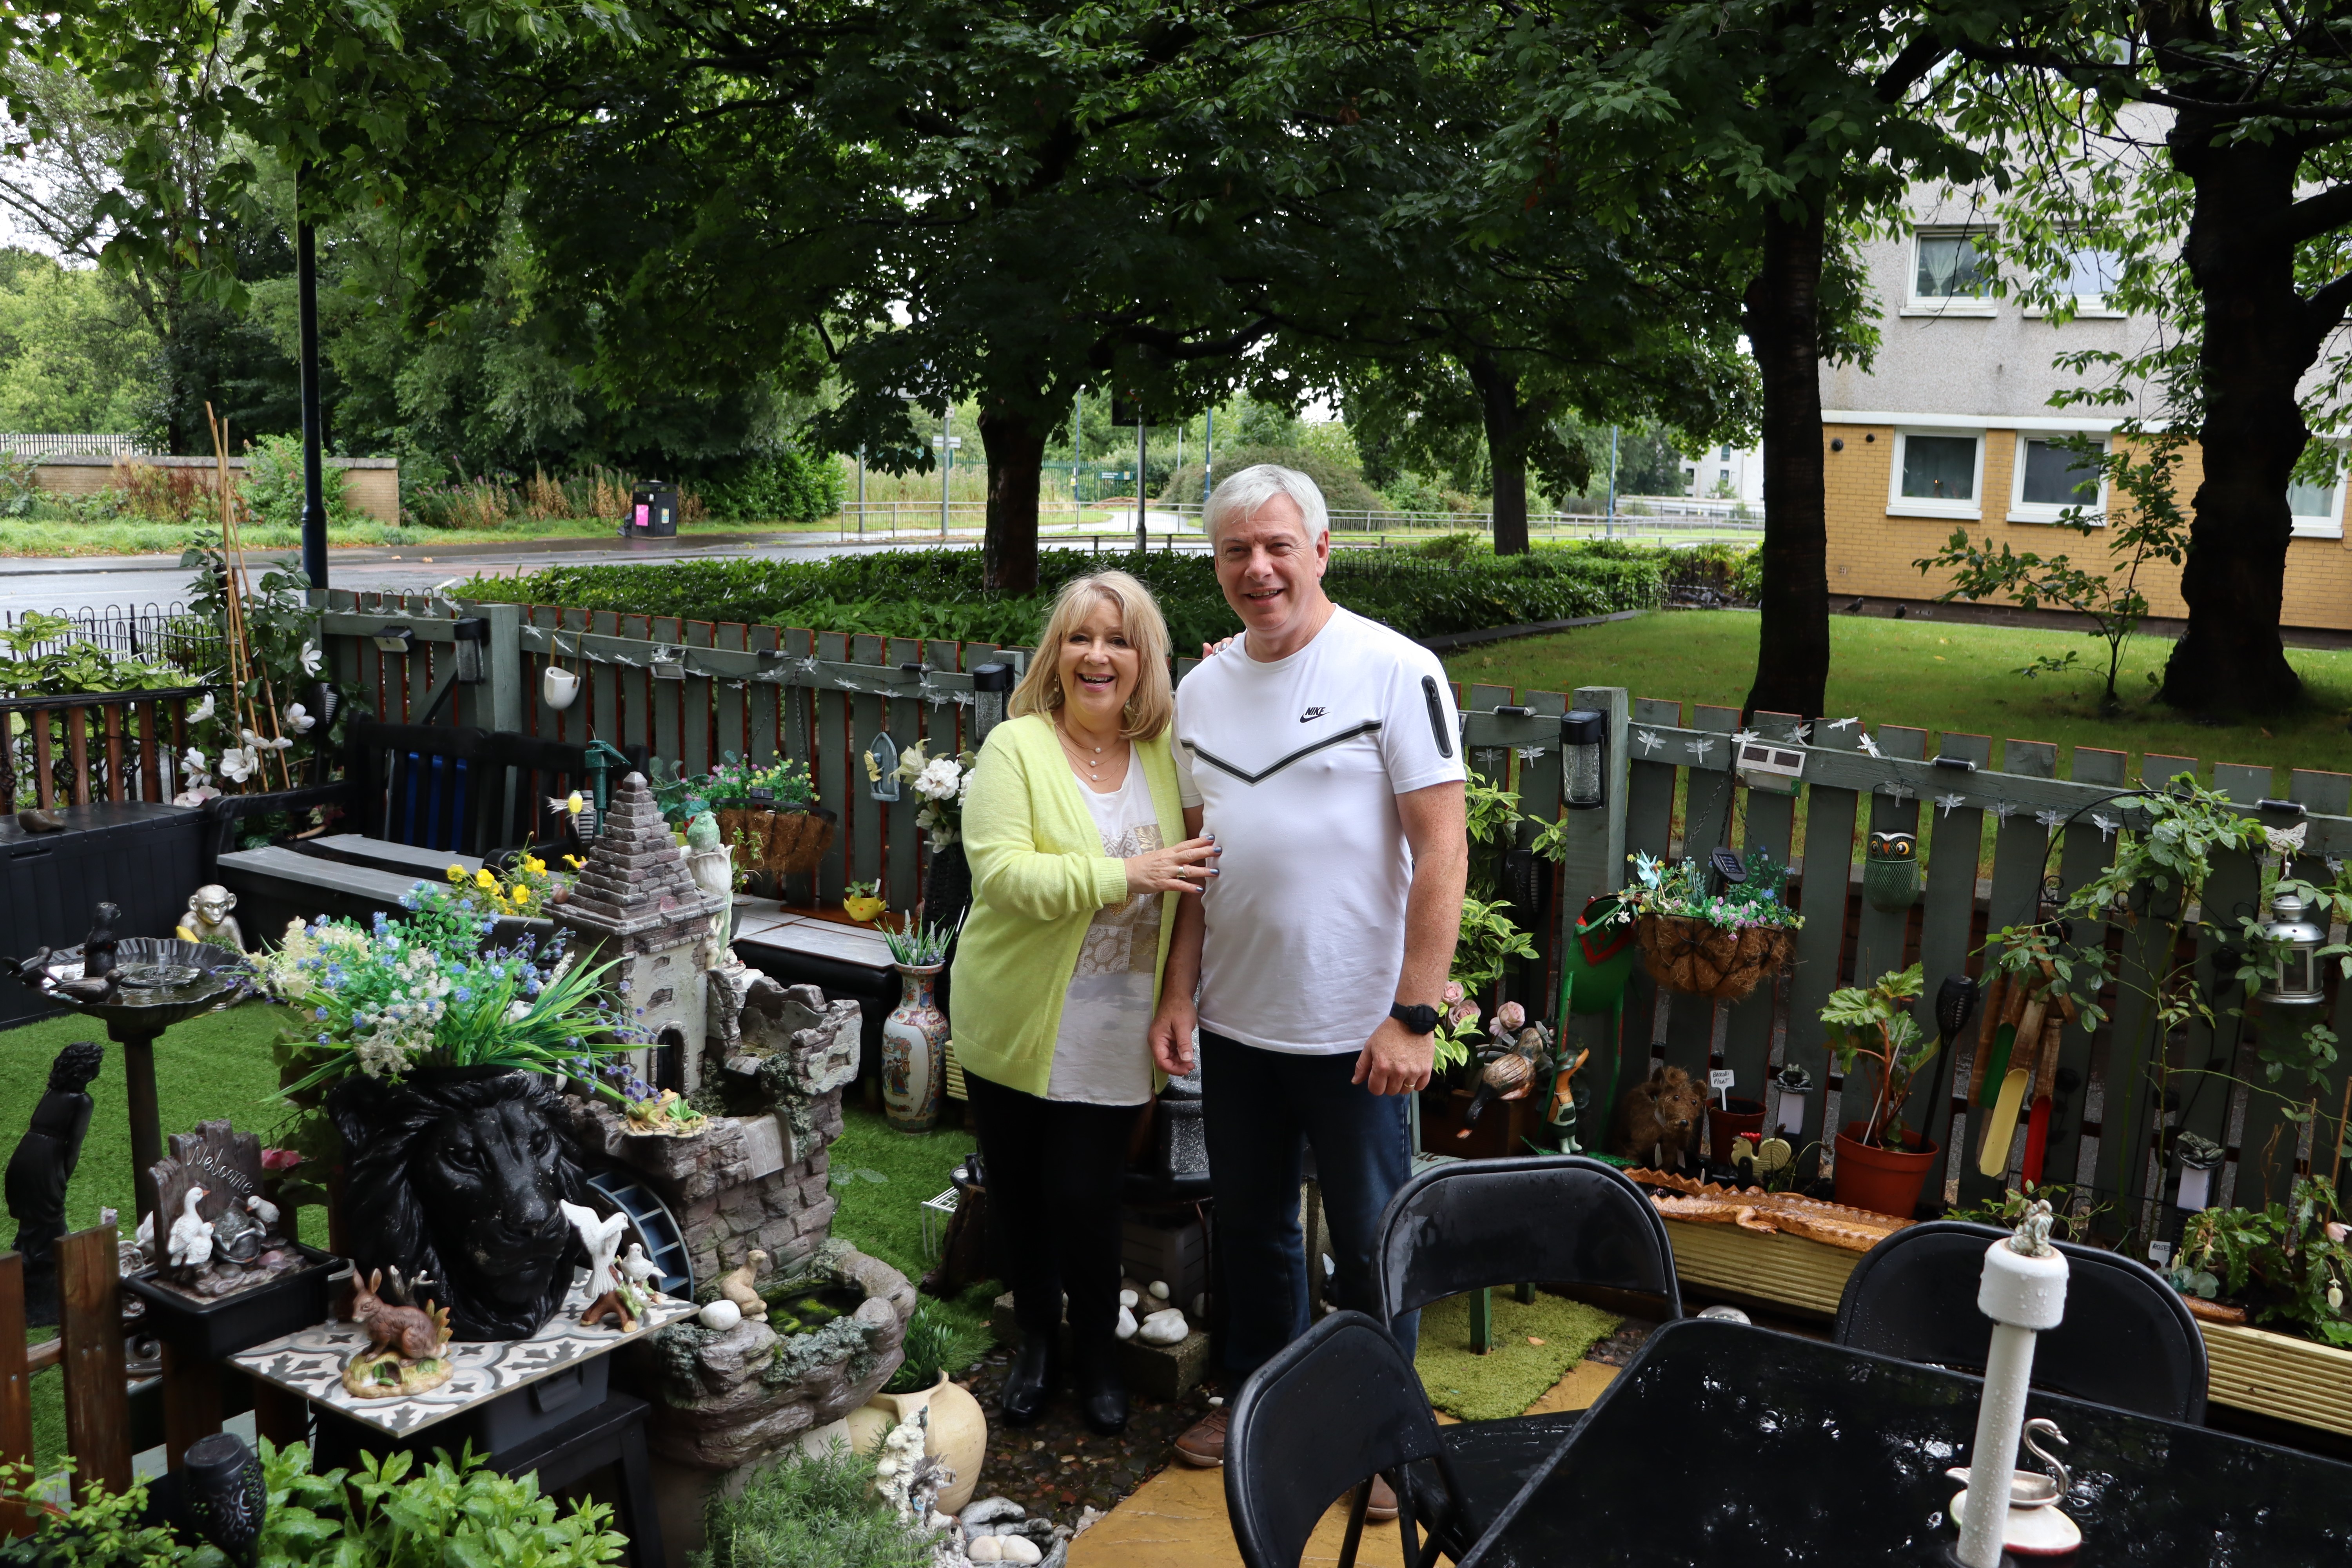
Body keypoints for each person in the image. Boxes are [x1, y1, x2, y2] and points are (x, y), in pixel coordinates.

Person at [1149, 465, 1468, 1497]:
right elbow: (1201, 864)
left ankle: (1382, 1437)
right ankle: (1258, 1399)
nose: (1259, 568)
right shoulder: (1200, 691)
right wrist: (1176, 995)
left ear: (1322, 550)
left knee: (1375, 1245)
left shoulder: (1394, 668)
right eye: (1237, 551)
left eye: (1279, 545)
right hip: (1240, 1027)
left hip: (1358, 1031)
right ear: (1217, 567)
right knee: (1250, 1230)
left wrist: (1413, 1014)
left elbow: (1445, 847)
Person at [950, 570, 1220, 1435]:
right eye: (1080, 637)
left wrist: (1234, 669)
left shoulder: (1163, 746)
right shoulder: (1016, 747)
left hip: (1116, 1022)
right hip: (1015, 1017)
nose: (1098, 655)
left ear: (1145, 658)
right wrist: (1125, 873)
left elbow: (1234, 752)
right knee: (1023, 1192)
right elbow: (1000, 874)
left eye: (1119, 639)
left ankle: (1098, 1351)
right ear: (1056, 654)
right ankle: (1037, 1340)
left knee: (1088, 1196)